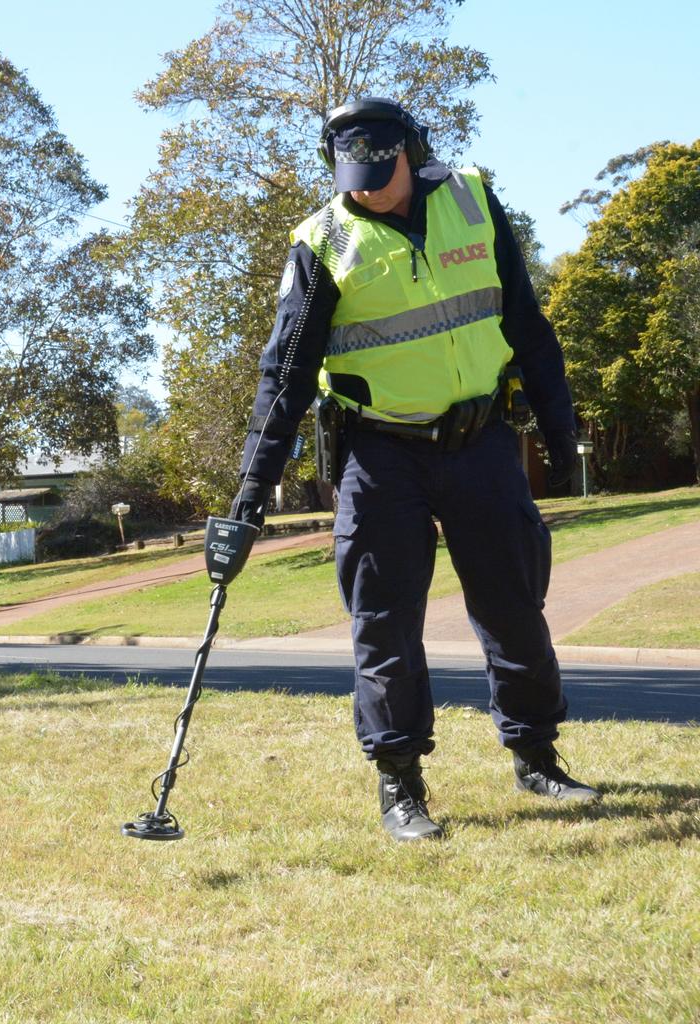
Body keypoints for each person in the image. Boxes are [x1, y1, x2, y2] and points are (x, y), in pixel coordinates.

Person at [231, 97, 600, 842]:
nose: (367, 187)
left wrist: (561, 431)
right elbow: (287, 376)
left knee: (513, 603)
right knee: (384, 622)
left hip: (482, 441)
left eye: (380, 171)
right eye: (352, 174)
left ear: (414, 149)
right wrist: (248, 494)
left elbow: (527, 322)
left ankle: (536, 756)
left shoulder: (472, 199)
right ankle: (400, 786)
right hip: (379, 454)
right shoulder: (321, 242)